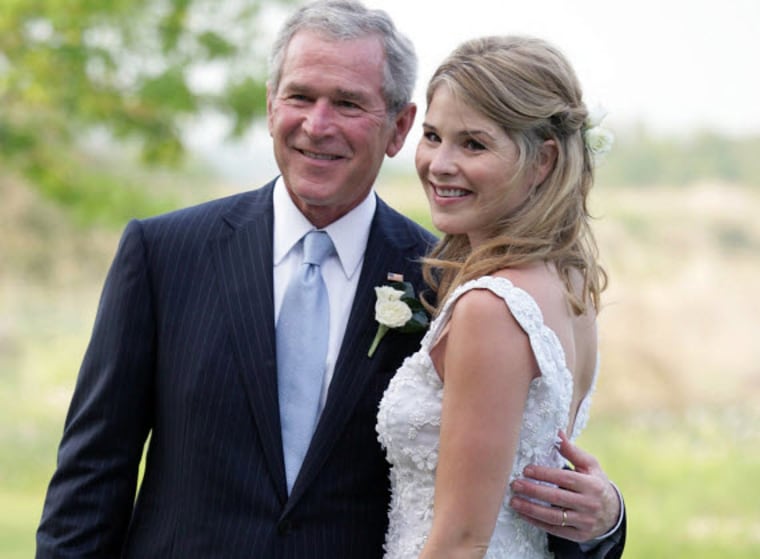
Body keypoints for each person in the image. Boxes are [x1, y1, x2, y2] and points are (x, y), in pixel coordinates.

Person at [36, 2, 623, 558]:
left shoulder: (447, 280)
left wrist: (606, 520)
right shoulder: (163, 254)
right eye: (300, 96)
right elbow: (93, 475)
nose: (317, 125)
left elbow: (509, 492)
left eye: (347, 103)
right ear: (271, 106)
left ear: (398, 127)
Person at [376, 35, 624, 558]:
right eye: (433, 136)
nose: (439, 164)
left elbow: (462, 542)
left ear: (543, 161)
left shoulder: (492, 306)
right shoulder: (570, 281)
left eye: (473, 144)